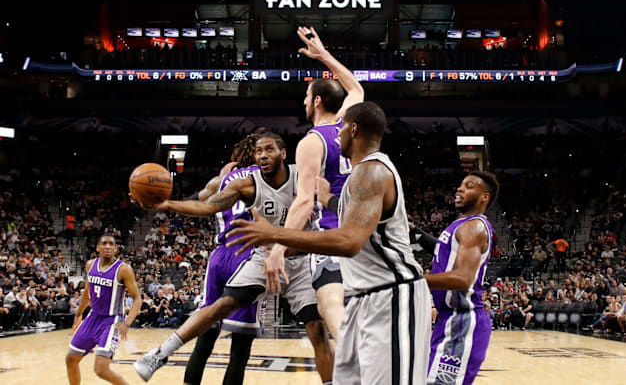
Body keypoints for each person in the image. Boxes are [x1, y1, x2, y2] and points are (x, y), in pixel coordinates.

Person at [227, 102, 432, 385]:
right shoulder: (359, 176)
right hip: (364, 295)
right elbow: (357, 220)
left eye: (342, 128)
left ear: (354, 129)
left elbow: (349, 241)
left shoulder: (371, 171)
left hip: (391, 295)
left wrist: (276, 235)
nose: (337, 136)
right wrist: (327, 201)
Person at [133, 131, 333, 384]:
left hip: (302, 260)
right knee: (223, 304)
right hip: (264, 257)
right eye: (258, 151)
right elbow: (208, 206)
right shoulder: (246, 184)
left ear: (283, 153)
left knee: (317, 329)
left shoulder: (301, 175)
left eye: (269, 149)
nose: (262, 155)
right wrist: (167, 205)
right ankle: (160, 354)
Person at [264, 26, 363, 342]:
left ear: (317, 101)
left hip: (332, 233)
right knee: (359, 306)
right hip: (364, 233)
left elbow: (305, 200)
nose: (304, 102)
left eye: (307, 97)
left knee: (329, 301)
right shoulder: (349, 125)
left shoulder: (312, 141)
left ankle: (356, 356)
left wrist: (279, 246)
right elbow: (356, 89)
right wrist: (324, 56)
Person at [183, 132, 262, 385]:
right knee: (240, 347)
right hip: (247, 256)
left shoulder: (223, 178)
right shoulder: (264, 176)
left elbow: (201, 199)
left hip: (220, 256)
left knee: (205, 334)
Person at [419, 171, 499, 385]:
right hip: (449, 320)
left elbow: (463, 278)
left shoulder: (474, 227)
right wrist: (417, 234)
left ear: (484, 197)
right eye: (461, 184)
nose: (460, 188)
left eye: (469, 186)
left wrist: (415, 279)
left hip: (462, 321)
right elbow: (444, 249)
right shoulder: (462, 225)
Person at [65, 235, 142, 385]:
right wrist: (79, 313)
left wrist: (127, 323)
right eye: (104, 243)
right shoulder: (90, 265)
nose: (107, 246)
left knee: (101, 369)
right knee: (71, 359)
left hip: (112, 321)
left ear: (116, 249)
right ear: (98, 248)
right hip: (93, 317)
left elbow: (137, 299)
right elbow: (87, 292)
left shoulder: (124, 270)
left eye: (111, 244)